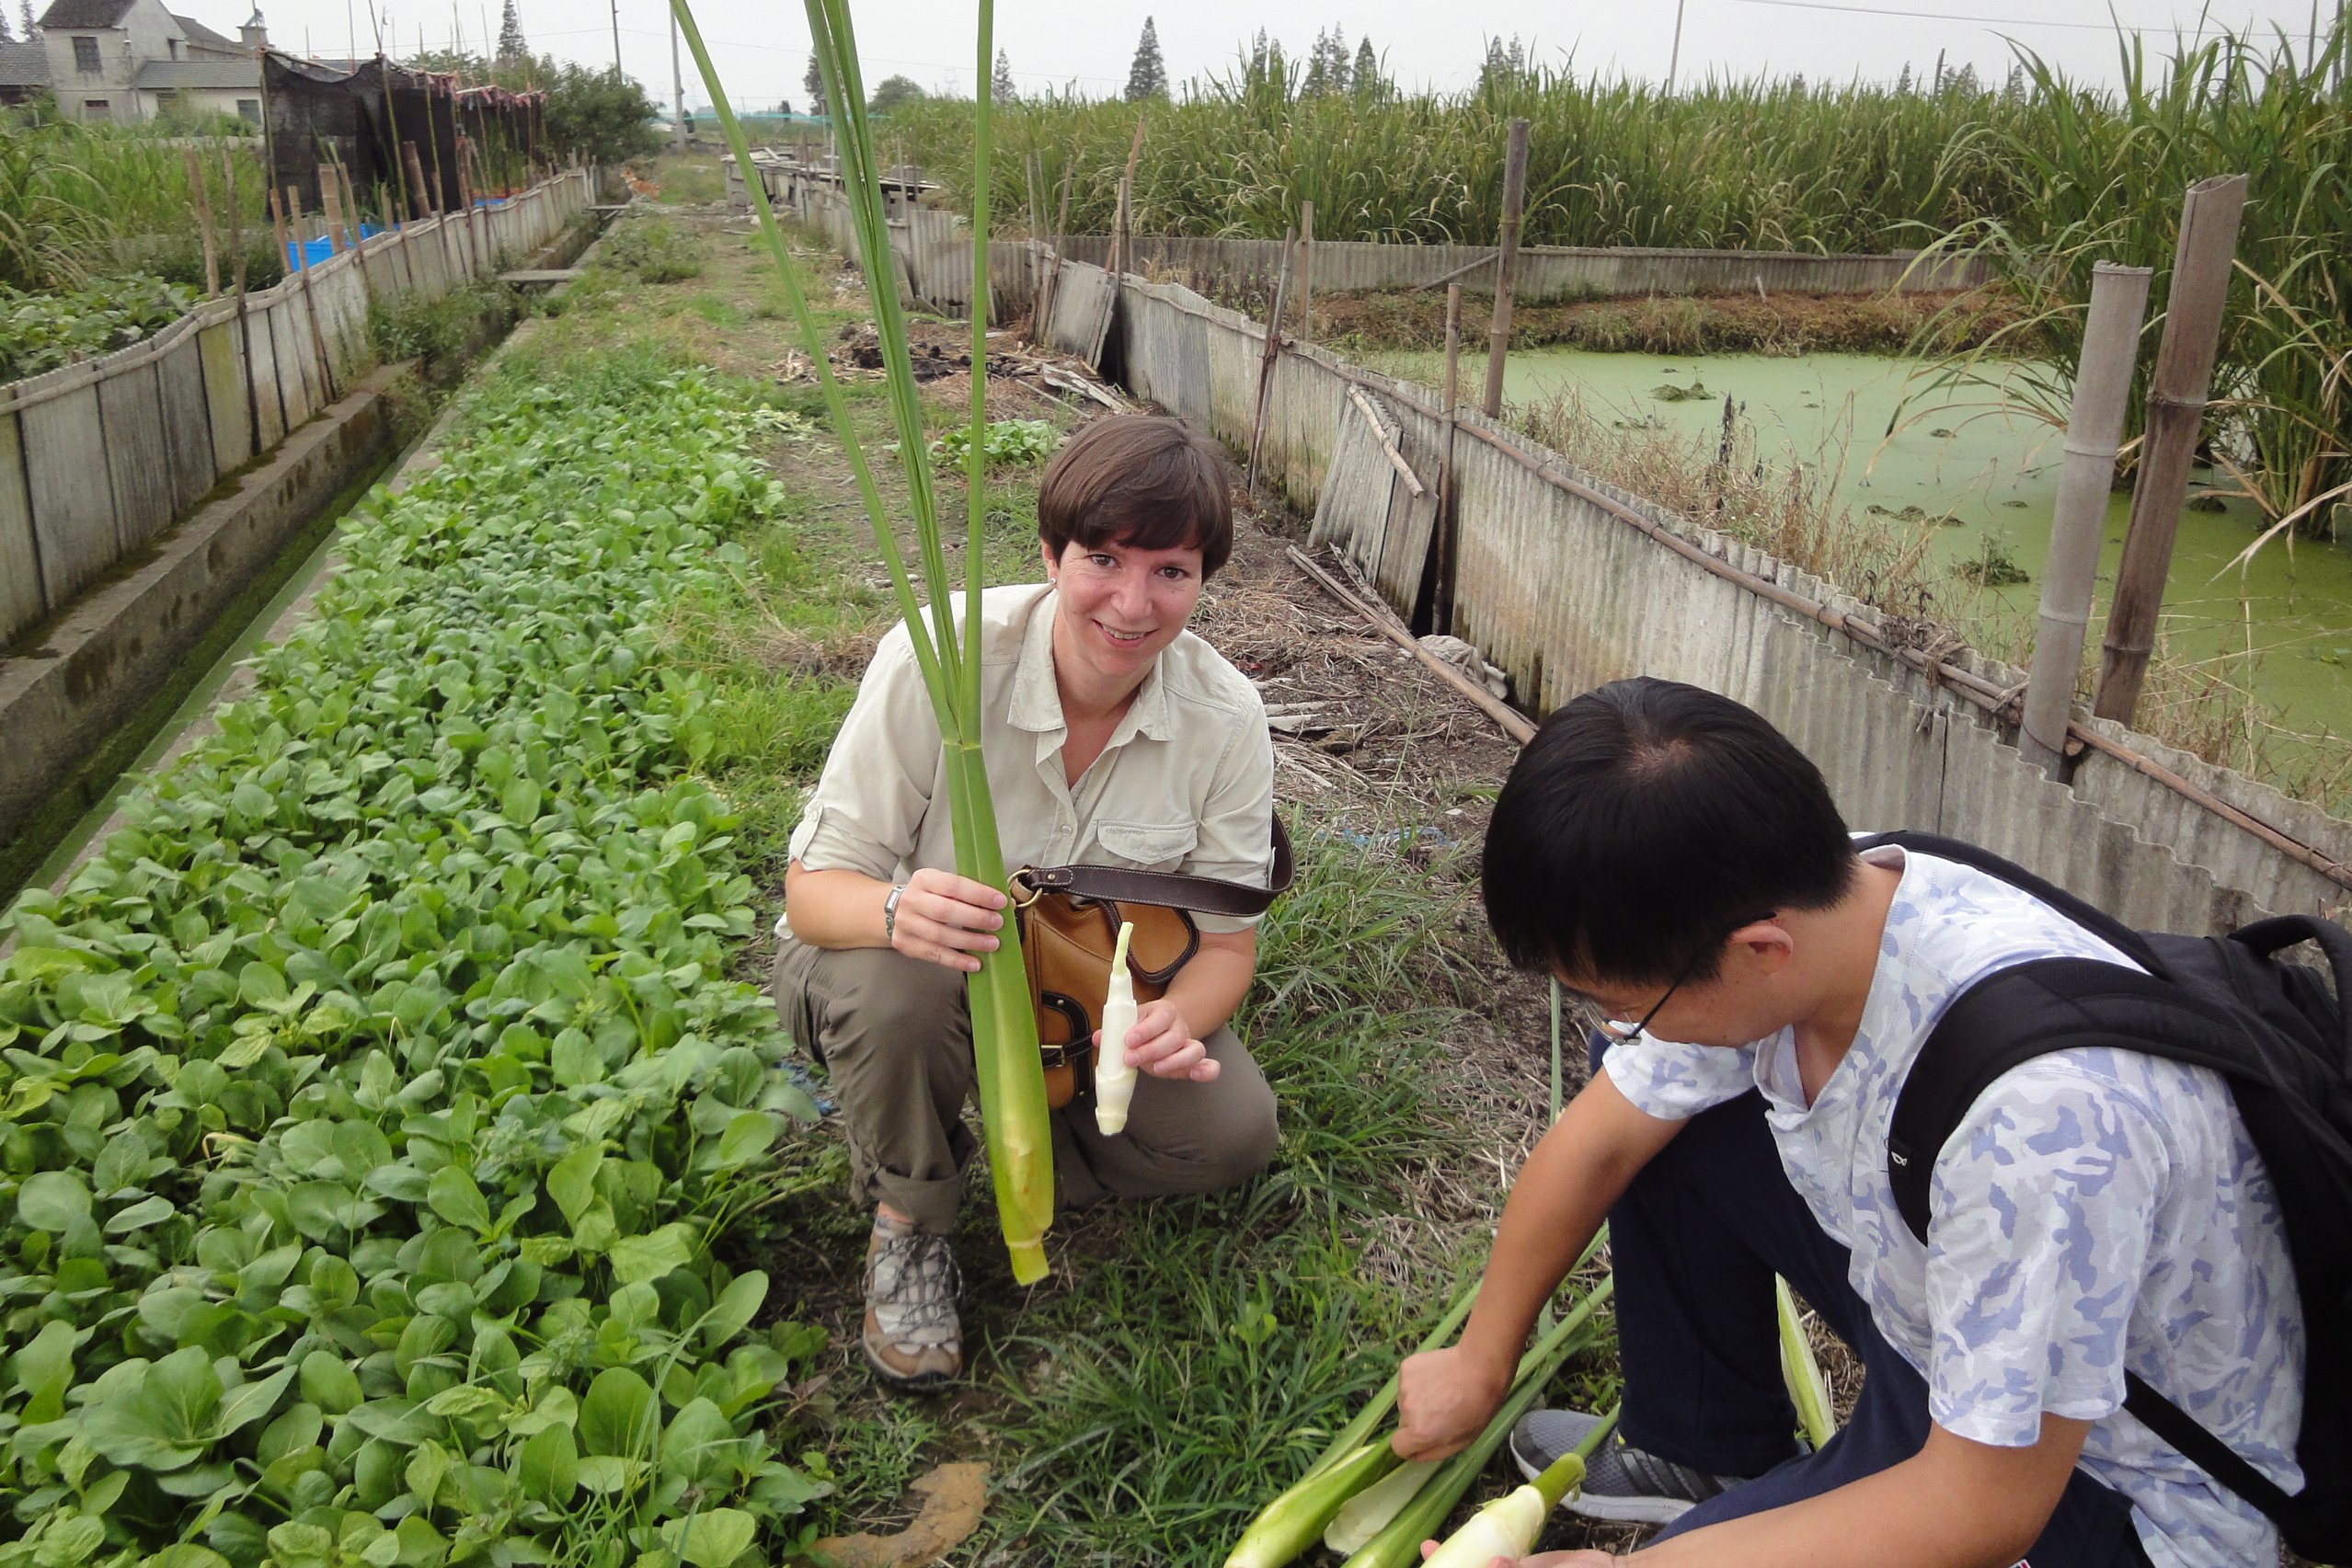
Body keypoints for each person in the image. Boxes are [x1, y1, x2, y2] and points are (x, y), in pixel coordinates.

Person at [1393, 677, 2300, 1568]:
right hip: (1950, 1330)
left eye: (1622, 1001)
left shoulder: (2040, 1126)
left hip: (2106, 1487)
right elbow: (1601, 1138)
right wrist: (1481, 1355)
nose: (1611, 1022)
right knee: (1651, 1096)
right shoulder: (1801, 892)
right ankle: (1708, 1446)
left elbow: (1982, 1509)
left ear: (1760, 953)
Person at [772, 415, 1281, 1390]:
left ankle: (962, 1138)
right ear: (1050, 555)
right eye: (1102, 559)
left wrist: (1173, 1023)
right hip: (906, 971)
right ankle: (913, 1216)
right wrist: (892, 913)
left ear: (1203, 578)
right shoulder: (943, 659)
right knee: (895, 996)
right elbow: (810, 892)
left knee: (1233, 1134)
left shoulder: (1225, 719)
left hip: (1081, 1008)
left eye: (1170, 571)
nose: (1132, 604)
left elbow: (1224, 948)